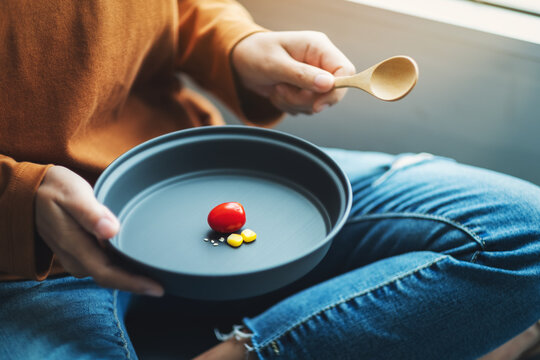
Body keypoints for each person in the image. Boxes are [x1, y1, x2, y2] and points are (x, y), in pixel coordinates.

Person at [1, 1, 539, 359]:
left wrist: (233, 44)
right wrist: (14, 196)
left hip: (193, 171)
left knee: (526, 235)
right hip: (32, 264)